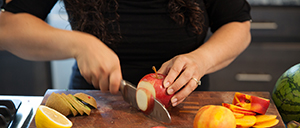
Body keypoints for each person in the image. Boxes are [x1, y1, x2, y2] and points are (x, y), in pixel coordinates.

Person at [0, 0, 251, 107]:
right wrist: (78, 44)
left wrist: (202, 59)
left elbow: (238, 26)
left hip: (185, 103)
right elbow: (7, 28)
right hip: (93, 103)